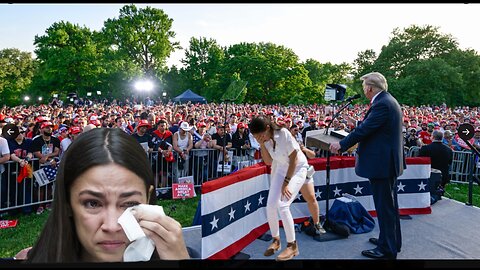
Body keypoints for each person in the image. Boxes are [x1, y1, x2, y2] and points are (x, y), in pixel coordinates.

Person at [25, 128, 190, 262]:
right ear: (67, 202)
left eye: (130, 204)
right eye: (92, 203)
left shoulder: (178, 254)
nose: (112, 226)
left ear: (148, 198)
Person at [330, 72, 405, 259]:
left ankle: (387, 249)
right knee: (388, 205)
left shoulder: (382, 104)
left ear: (370, 88)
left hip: (382, 164)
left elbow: (364, 129)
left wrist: (341, 144)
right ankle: (389, 240)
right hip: (386, 163)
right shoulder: (388, 101)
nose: (364, 90)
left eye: (364, 87)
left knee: (385, 207)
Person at [249, 116, 309, 261]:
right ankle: (276, 240)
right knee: (270, 205)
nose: (259, 138)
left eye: (260, 135)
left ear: (267, 128)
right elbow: (268, 161)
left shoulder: (283, 133)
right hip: (280, 168)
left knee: (283, 205)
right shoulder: (265, 140)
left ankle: (292, 246)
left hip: (298, 168)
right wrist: (262, 144)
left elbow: (294, 158)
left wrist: (286, 182)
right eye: (256, 137)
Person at [418, 130, 453, 204]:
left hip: (429, 175)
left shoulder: (425, 148)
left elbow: (419, 161)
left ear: (432, 137)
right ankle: (438, 194)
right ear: (442, 138)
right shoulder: (449, 150)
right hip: (443, 176)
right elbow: (450, 162)